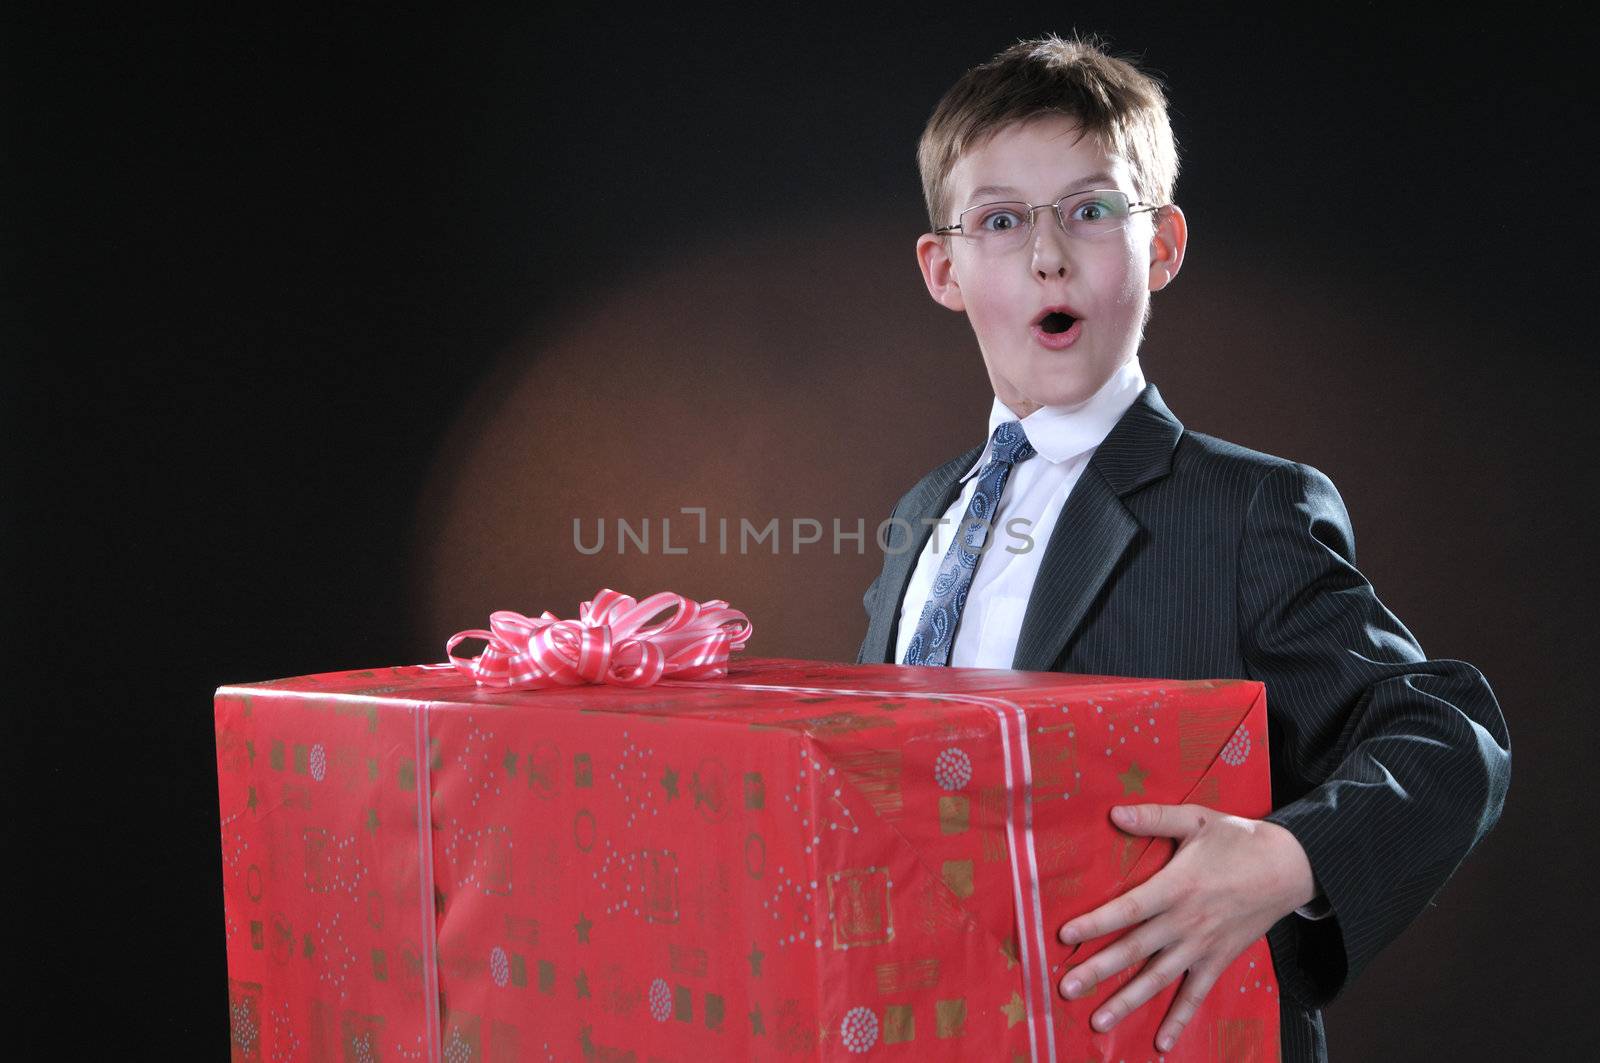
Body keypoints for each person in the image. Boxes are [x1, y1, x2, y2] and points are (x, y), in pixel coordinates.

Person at [854, 32, 1510, 1063]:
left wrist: (1289, 858)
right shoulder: (923, 513)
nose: (1045, 254)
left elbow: (1445, 735)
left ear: (1159, 245)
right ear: (943, 268)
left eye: (1090, 209)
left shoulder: (1247, 509)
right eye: (999, 220)